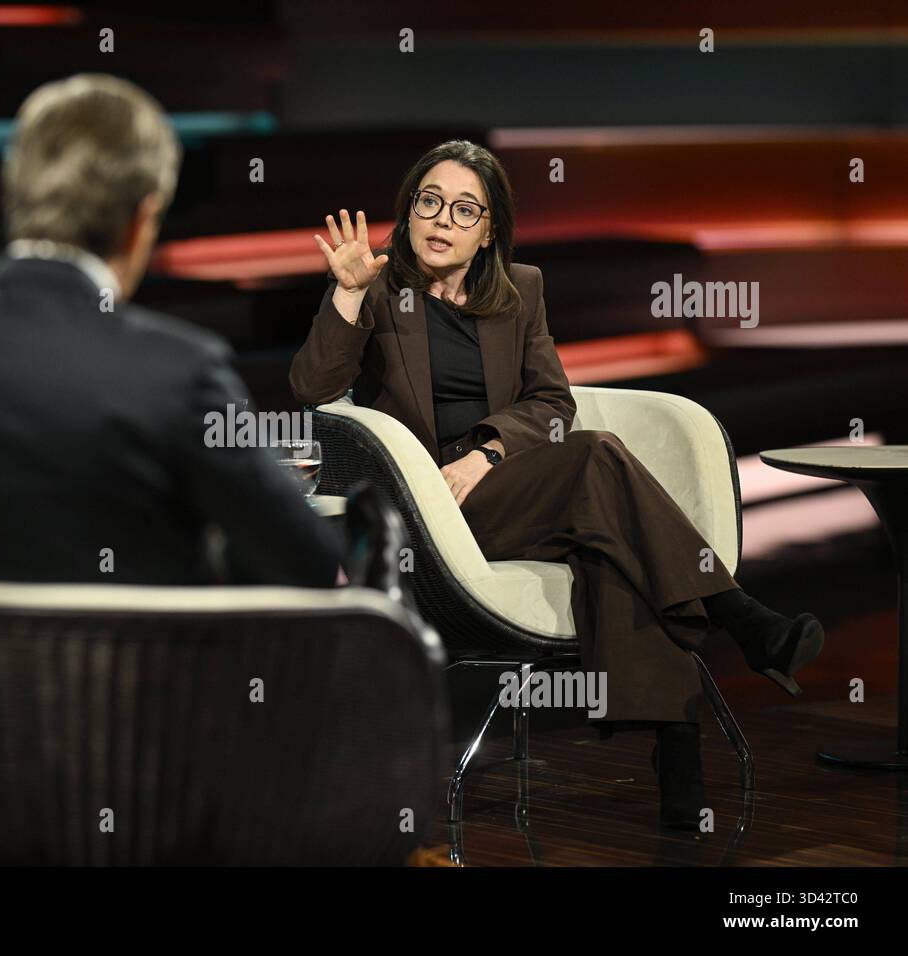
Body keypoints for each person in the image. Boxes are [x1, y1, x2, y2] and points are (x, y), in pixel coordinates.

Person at [289, 139, 825, 827]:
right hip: (429, 508)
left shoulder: (522, 291)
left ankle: (678, 748)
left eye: (463, 209)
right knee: (597, 458)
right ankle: (733, 613)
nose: (442, 220)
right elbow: (313, 388)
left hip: (506, 484)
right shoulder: (376, 287)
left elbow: (551, 405)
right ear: (409, 208)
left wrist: (485, 454)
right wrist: (346, 293)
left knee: (609, 540)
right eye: (429, 202)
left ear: (488, 232)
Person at [0, 74, 341, 589]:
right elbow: (306, 563)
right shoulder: (179, 371)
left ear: (15, 199)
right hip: (141, 676)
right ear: (142, 219)